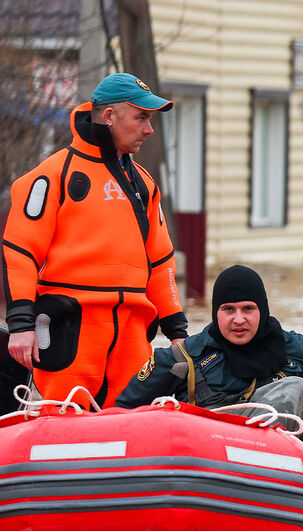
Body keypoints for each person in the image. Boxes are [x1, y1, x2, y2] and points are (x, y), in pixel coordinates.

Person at [1, 72, 187, 406]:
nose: (149, 129)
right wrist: (20, 325)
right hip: (70, 331)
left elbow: (161, 263)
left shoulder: (144, 184)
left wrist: (178, 333)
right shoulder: (53, 175)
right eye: (142, 117)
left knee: (133, 428)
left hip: (132, 336)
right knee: (59, 427)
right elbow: (20, 251)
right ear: (109, 116)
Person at [116, 265, 303, 447]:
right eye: (228, 310)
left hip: (275, 465)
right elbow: (124, 411)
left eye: (248, 309)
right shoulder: (184, 358)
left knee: (296, 387)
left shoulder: (296, 350)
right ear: (215, 312)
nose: (238, 320)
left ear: (263, 310)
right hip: (209, 461)